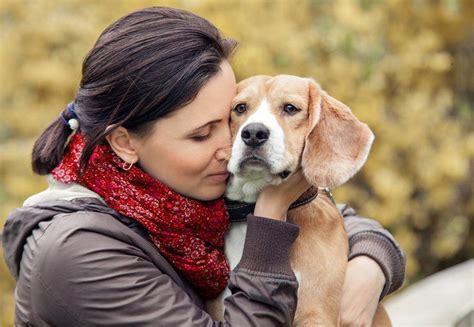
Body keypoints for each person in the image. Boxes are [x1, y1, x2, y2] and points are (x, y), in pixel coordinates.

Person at [2, 6, 405, 326]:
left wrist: (371, 263)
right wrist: (269, 217)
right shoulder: (77, 254)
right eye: (200, 135)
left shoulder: (180, 191)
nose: (231, 144)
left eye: (229, 120)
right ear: (124, 142)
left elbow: (329, 212)